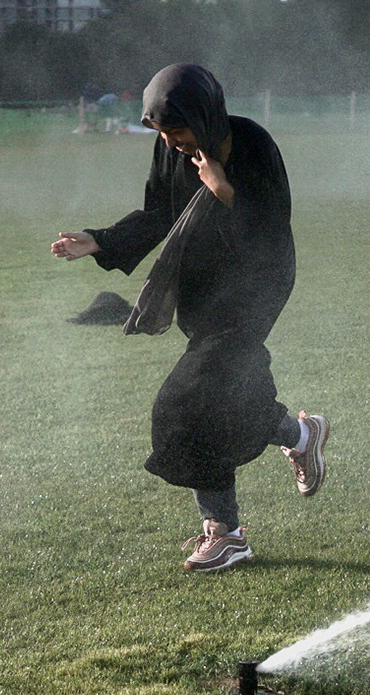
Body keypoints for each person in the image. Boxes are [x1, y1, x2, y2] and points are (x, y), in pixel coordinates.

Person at [50, 63, 329, 573]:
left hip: (255, 283)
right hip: (202, 285)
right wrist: (101, 240)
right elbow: (160, 212)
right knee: (225, 395)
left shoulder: (253, 145)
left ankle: (226, 533)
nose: (170, 140)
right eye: (160, 130)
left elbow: (271, 230)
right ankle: (300, 437)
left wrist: (223, 189)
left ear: (204, 114)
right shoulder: (169, 149)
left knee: (186, 403)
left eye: (176, 129)